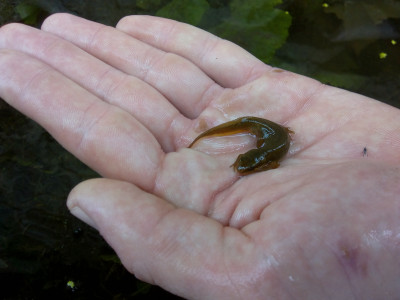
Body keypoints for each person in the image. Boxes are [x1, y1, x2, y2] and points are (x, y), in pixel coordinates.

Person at [1, 13, 400, 299]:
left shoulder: (270, 156)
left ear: (258, 160)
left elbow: (273, 155)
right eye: (246, 163)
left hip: (269, 133)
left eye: (247, 163)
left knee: (258, 131)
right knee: (252, 128)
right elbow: (262, 146)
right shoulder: (262, 148)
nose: (242, 166)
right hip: (263, 130)